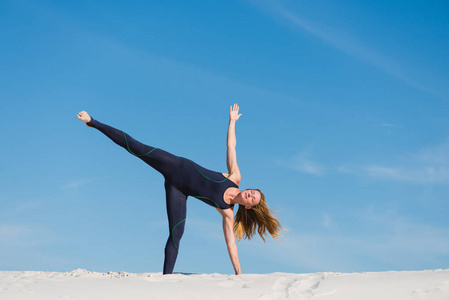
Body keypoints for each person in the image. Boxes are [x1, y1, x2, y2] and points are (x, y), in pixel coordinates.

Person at [76, 104, 282, 275]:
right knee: (138, 148)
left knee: (177, 232)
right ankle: (92, 122)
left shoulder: (227, 212)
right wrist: (232, 122)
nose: (250, 194)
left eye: (252, 199)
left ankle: (166, 281)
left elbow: (231, 246)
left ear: (247, 207)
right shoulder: (234, 177)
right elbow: (231, 146)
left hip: (178, 191)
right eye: (252, 192)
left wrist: (238, 274)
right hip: (175, 165)